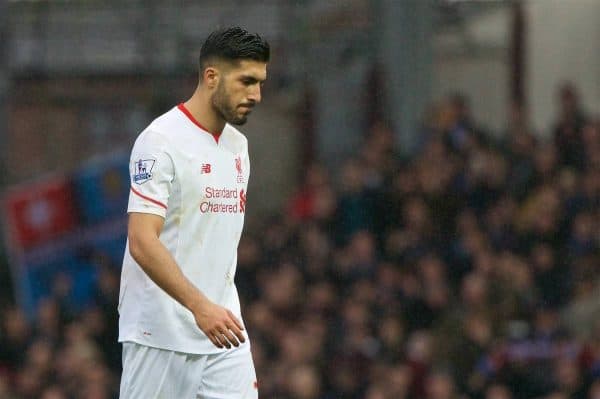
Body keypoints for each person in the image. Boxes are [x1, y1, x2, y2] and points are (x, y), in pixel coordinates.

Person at [118, 27, 269, 398]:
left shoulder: (238, 146)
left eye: (261, 82)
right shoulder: (160, 142)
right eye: (246, 81)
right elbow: (141, 240)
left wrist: (212, 308)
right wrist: (200, 307)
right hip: (161, 332)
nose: (256, 95)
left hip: (223, 330)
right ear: (211, 76)